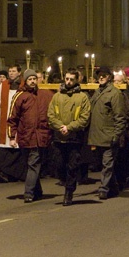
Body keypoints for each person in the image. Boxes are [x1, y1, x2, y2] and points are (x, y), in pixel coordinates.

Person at [8, 69, 53, 203]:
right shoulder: (20, 96)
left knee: (34, 163)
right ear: (25, 81)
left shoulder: (45, 95)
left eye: (35, 78)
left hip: (41, 135)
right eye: (30, 79)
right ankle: (37, 191)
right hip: (25, 136)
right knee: (32, 164)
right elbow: (12, 118)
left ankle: (29, 192)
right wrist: (12, 136)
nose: (33, 81)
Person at [47, 69, 91, 206]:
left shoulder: (82, 97)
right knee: (59, 164)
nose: (68, 82)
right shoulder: (57, 96)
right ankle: (64, 181)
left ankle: (69, 192)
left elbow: (85, 118)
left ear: (76, 80)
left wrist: (70, 127)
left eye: (72, 79)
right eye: (66, 79)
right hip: (59, 137)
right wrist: (60, 126)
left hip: (74, 138)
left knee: (72, 166)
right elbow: (50, 115)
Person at [88, 67, 129, 200]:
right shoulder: (97, 92)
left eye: (104, 75)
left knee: (107, 164)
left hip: (109, 135)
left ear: (109, 77)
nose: (101, 77)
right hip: (97, 135)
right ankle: (114, 187)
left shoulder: (115, 94)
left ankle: (104, 189)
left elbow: (120, 117)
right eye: (99, 75)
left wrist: (117, 135)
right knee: (103, 163)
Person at [0, 65, 26, 183]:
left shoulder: (24, 85)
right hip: (5, 118)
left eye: (13, 71)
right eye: (10, 71)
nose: (11, 73)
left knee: (18, 145)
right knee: (4, 145)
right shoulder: (3, 85)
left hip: (20, 119)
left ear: (19, 72)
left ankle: (15, 173)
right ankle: (3, 171)